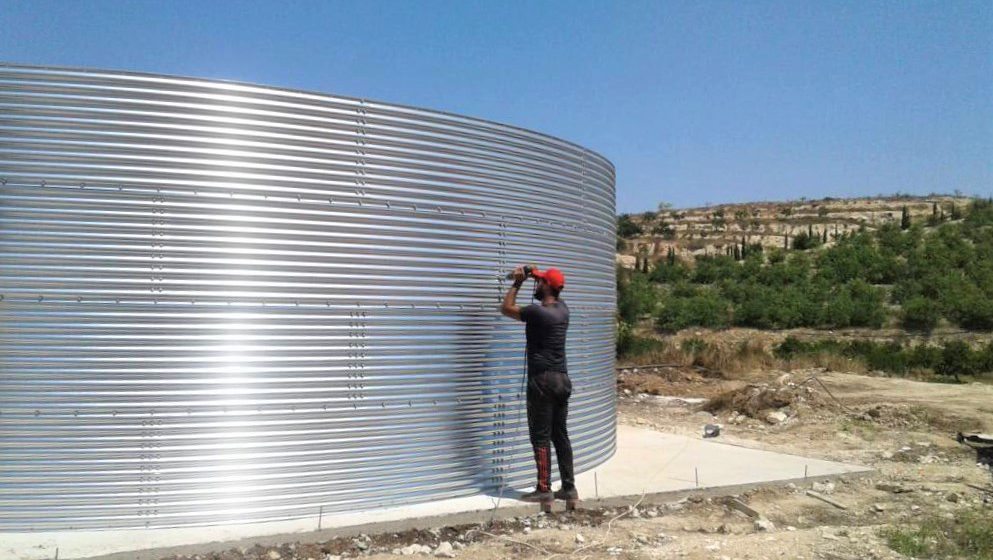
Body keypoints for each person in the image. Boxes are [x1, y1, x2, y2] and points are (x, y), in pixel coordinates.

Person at [501, 265, 577, 508]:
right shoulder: (563, 310)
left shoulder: (537, 313)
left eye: (540, 283)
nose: (537, 285)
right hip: (562, 380)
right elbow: (552, 289)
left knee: (540, 436)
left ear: (546, 287)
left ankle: (543, 489)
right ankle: (569, 488)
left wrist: (518, 282)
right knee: (560, 434)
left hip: (542, 381)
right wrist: (535, 273)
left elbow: (506, 309)